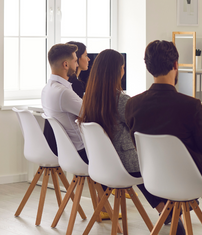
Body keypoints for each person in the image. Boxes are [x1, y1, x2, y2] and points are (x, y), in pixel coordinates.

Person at [125, 40, 202, 235]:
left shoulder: (132, 105)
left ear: (148, 67)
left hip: (155, 179)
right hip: (191, 180)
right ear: (176, 65)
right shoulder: (190, 105)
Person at [77, 49, 183, 232]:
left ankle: (168, 212)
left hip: (102, 167)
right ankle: (173, 211)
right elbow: (144, 129)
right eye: (123, 68)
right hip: (125, 166)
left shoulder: (88, 99)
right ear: (117, 71)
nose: (123, 71)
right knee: (161, 162)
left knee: (147, 168)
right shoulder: (121, 100)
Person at [41, 43, 87, 163]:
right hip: (81, 153)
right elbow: (91, 113)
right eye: (75, 61)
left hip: (67, 150)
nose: (77, 65)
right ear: (66, 64)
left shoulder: (47, 89)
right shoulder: (63, 93)